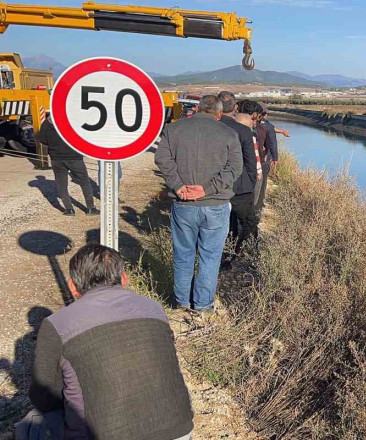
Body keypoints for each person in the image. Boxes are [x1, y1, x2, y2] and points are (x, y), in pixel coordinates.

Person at [17, 244, 194, 440]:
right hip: (179, 430)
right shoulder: (155, 309)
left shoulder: (56, 325)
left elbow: (43, 396)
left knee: (30, 425)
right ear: (124, 279)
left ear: (72, 286)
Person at [155, 95, 242, 311]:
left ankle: (182, 302)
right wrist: (207, 189)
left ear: (198, 108)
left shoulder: (174, 129)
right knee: (210, 257)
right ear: (220, 114)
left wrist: (178, 186)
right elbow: (234, 169)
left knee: (183, 254)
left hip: (183, 204)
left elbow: (162, 159)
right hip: (215, 204)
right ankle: (203, 305)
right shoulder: (229, 134)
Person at [218, 93, 259, 263]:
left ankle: (224, 255)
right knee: (247, 222)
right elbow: (250, 161)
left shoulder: (212, 128)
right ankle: (240, 253)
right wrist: (250, 183)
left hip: (216, 185)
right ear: (235, 108)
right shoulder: (243, 130)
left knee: (224, 223)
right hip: (241, 187)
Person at [37, 113, 98, 216]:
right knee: (84, 182)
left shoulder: (47, 123)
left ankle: (69, 210)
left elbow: (42, 139)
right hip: (74, 157)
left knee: (61, 184)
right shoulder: (72, 120)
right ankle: (91, 208)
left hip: (56, 158)